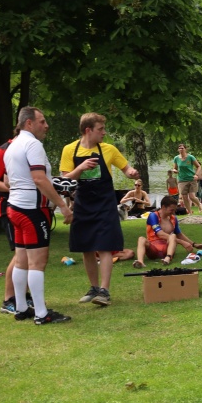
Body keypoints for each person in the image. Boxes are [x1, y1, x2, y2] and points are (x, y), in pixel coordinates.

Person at [59, 112, 140, 308]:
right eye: (100, 129)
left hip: (105, 204)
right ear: (88, 130)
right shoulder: (69, 150)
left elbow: (126, 169)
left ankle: (104, 291)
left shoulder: (108, 149)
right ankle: (94, 288)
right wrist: (81, 168)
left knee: (105, 245)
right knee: (86, 247)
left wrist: (132, 173)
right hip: (83, 204)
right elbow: (64, 180)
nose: (104, 132)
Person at [5, 106, 74, 324]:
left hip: (14, 207)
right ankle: (41, 313)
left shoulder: (12, 146)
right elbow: (38, 179)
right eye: (42, 121)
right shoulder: (33, 144)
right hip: (31, 210)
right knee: (37, 262)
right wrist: (62, 206)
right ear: (29, 123)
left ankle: (21, 307)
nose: (46, 126)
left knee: (21, 260)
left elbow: (9, 181)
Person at [0, 131, 35, 316]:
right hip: (10, 207)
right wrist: (11, 188)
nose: (46, 126)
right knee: (20, 254)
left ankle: (23, 295)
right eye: (41, 122)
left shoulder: (27, 149)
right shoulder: (3, 151)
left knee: (28, 253)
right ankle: (9, 299)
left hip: (27, 206)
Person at [133, 195, 195, 266]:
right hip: (153, 248)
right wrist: (182, 242)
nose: (173, 212)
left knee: (173, 236)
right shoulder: (153, 216)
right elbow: (160, 234)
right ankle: (140, 262)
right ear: (163, 207)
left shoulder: (173, 218)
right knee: (141, 239)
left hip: (166, 248)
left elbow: (179, 234)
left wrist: (193, 244)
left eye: (174, 210)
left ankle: (168, 258)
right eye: (171, 210)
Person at [171, 143, 202, 213]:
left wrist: (196, 175)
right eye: (179, 148)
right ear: (178, 150)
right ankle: (189, 212)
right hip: (181, 180)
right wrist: (174, 170)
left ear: (185, 149)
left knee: (192, 196)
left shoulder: (190, 157)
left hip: (191, 179)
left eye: (182, 148)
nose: (181, 149)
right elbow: (175, 168)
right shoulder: (176, 158)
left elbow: (199, 166)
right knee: (184, 197)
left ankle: (199, 204)